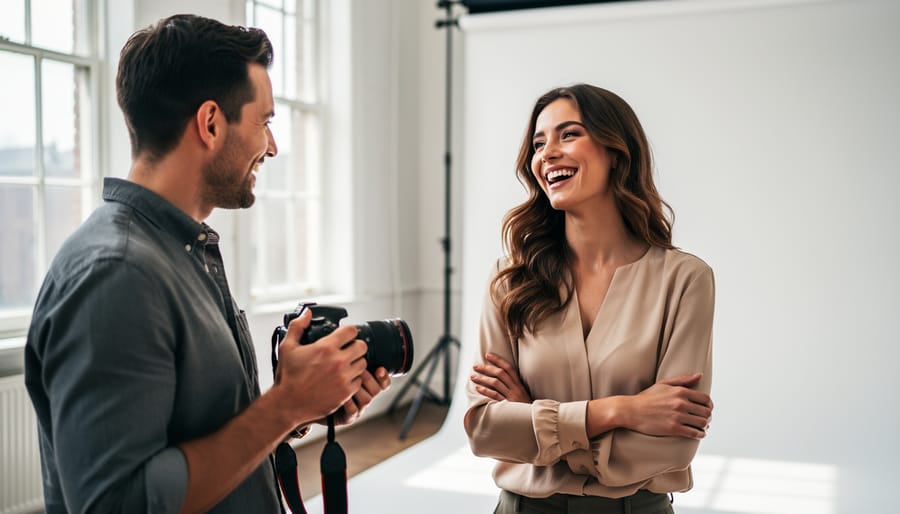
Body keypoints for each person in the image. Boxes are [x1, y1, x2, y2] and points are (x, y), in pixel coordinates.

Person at [24, 14, 390, 514]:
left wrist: (299, 404)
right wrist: (284, 405)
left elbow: (203, 431)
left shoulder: (179, 250)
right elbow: (120, 504)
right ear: (211, 123)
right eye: (264, 122)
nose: (273, 146)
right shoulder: (116, 273)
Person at [464, 84, 715, 514]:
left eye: (569, 134)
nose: (547, 154)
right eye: (538, 143)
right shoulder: (510, 280)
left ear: (616, 152)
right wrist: (624, 410)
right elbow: (485, 429)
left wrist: (535, 421)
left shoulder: (685, 280)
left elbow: (674, 444)